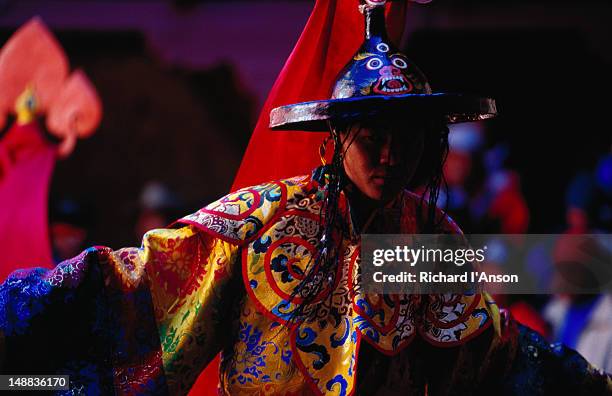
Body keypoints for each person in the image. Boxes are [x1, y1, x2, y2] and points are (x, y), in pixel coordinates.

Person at [0, 1, 610, 395]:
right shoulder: (263, 219)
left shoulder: (428, 240)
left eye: (406, 139)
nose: (390, 157)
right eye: (372, 138)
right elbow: (137, 284)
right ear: (337, 136)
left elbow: (498, 354)